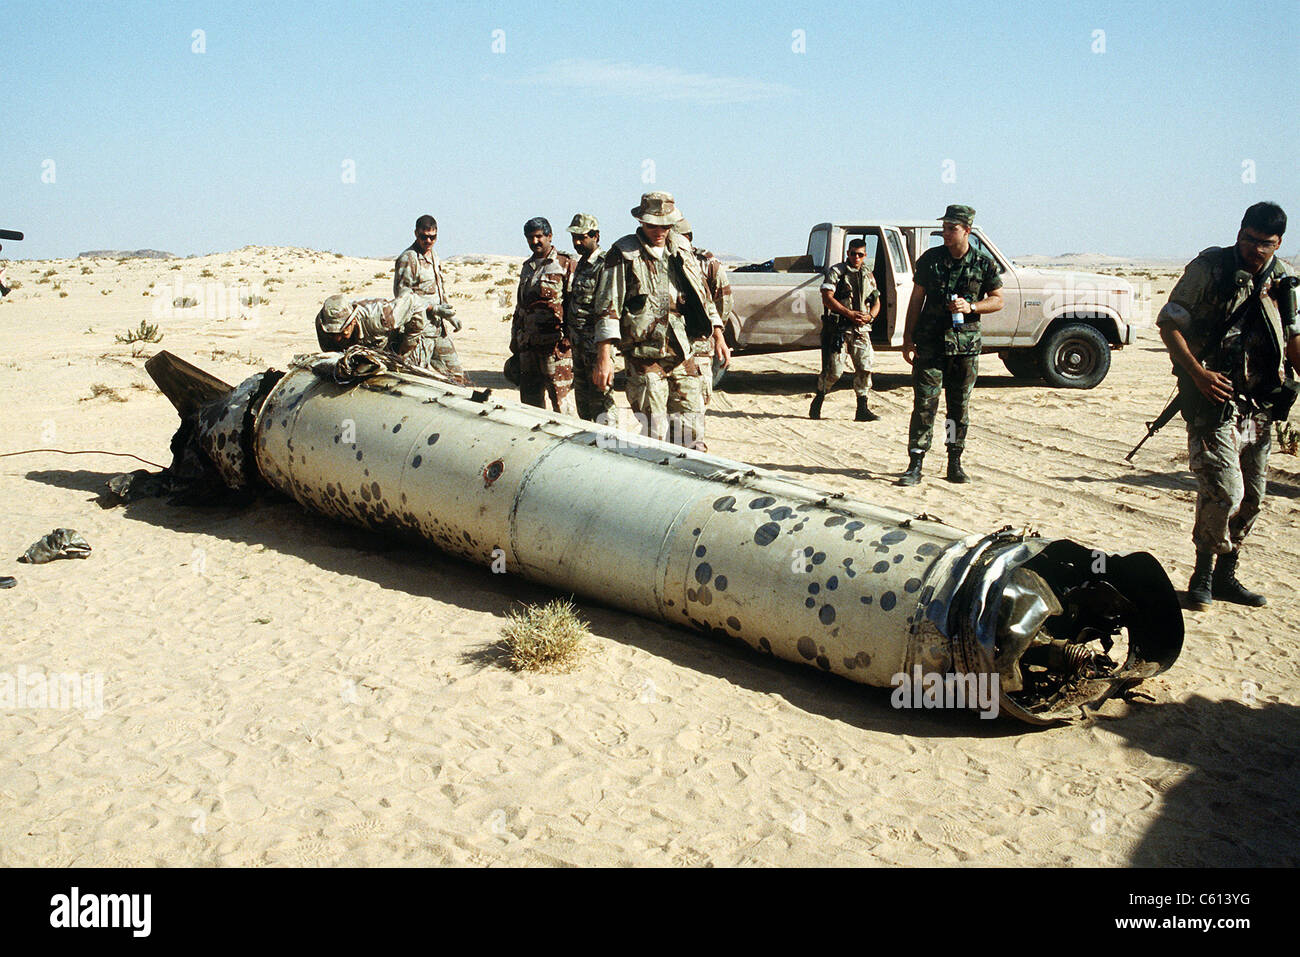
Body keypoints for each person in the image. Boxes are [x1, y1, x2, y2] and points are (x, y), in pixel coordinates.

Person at [1156, 201, 1299, 610]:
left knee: (1252, 496)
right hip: (1213, 400)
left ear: (1279, 243)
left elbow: (1293, 336)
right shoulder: (1209, 269)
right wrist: (1198, 374)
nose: (1256, 250)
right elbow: (1168, 325)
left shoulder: (1283, 278)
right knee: (1224, 491)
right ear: (1240, 234)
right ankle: (1201, 575)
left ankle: (1226, 577)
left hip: (1259, 406)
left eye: (1266, 244)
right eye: (1250, 240)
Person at [592, 191, 729, 450]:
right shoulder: (623, 253)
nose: (659, 231)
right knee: (655, 432)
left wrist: (718, 333)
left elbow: (704, 296)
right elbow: (607, 307)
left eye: (665, 225)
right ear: (642, 222)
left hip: (683, 350)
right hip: (645, 356)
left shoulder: (682, 249)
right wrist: (604, 357)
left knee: (691, 429)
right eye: (653, 225)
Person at [898, 205, 1004, 485]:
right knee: (924, 405)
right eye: (944, 228)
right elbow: (916, 299)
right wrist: (908, 338)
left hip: (964, 348)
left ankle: (954, 462)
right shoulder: (930, 260)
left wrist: (971, 306)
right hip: (930, 345)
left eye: (951, 228)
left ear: (966, 230)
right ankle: (916, 462)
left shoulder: (983, 263)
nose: (945, 233)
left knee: (957, 408)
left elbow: (998, 300)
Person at [314, 292, 463, 381]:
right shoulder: (323, 324)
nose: (337, 339)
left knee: (411, 377)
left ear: (353, 320)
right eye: (332, 334)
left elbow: (413, 301)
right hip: (370, 353)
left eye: (342, 332)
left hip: (399, 344)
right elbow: (332, 354)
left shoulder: (380, 316)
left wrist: (405, 348)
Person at [810, 238, 881, 421]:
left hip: (861, 329)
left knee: (865, 367)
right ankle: (819, 399)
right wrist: (849, 313)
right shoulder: (837, 272)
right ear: (847, 254)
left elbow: (876, 300)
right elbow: (827, 298)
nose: (856, 258)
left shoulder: (867, 274)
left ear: (865, 256)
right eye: (853, 254)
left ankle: (862, 408)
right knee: (834, 371)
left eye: (860, 254)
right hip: (839, 329)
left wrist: (870, 316)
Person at [511, 217, 576, 414]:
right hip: (528, 347)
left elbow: (574, 304)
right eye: (530, 237)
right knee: (530, 407)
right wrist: (515, 340)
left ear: (549, 236)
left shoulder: (565, 264)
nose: (535, 242)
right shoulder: (527, 267)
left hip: (555, 349)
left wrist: (570, 340)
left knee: (561, 405)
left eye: (539, 236)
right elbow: (520, 308)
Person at [393, 214, 465, 381]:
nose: (428, 241)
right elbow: (403, 295)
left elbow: (439, 289)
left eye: (433, 237)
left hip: (438, 328)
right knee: (417, 376)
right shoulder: (409, 258)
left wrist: (450, 314)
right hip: (419, 330)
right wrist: (432, 308)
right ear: (415, 234)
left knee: (455, 375)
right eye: (423, 237)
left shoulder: (434, 256)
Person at [672, 217, 733, 406]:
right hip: (672, 344)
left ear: (688, 237)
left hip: (700, 343)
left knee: (697, 403)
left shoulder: (706, 263)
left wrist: (714, 331)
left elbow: (723, 300)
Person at [563, 213, 616, 423]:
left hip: (597, 349)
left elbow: (607, 308)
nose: (577, 242)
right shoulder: (582, 265)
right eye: (574, 237)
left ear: (596, 236)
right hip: (579, 347)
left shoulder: (604, 265)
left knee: (602, 406)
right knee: (584, 407)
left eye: (582, 237)